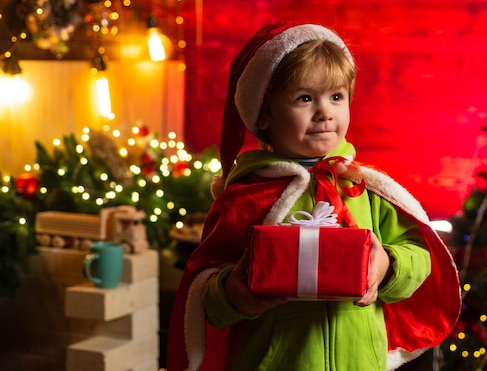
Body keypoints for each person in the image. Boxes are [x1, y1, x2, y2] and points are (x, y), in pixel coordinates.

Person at [166, 22, 461, 371]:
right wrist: (232, 292)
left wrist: (388, 266)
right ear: (263, 113)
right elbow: (203, 292)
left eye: (336, 96)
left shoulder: (363, 188)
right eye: (305, 98)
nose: (325, 112)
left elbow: (421, 257)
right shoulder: (244, 197)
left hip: (359, 362)